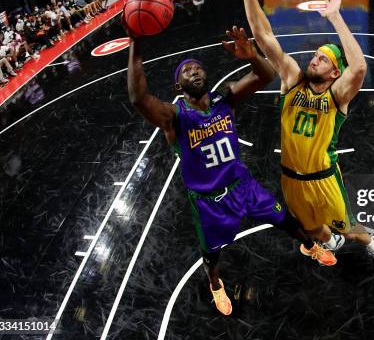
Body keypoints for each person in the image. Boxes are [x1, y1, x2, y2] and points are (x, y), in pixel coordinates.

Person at [124, 24, 336, 315]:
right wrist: (135, 41)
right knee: (212, 253)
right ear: (178, 87)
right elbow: (138, 98)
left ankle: (310, 246)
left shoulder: (226, 99)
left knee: (284, 217)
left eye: (198, 68)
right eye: (187, 71)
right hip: (210, 202)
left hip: (243, 186)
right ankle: (215, 285)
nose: (195, 72)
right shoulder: (173, 117)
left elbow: (266, 75)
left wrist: (251, 55)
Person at [222, 0, 374, 271]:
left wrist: (336, 17)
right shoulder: (293, 79)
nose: (315, 59)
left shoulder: (337, 96)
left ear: (334, 73)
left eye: (323, 59)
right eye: (316, 55)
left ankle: (371, 242)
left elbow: (360, 67)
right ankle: (331, 239)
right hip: (290, 179)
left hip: (324, 179)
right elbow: (266, 37)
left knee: (348, 230)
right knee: (311, 231)